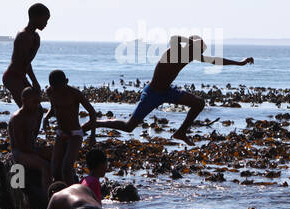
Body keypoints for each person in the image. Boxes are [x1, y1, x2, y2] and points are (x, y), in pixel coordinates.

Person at [91, 35, 253, 143]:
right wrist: (189, 40)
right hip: (153, 93)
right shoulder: (174, 50)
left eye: (199, 52)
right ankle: (96, 123)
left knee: (198, 103)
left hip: (168, 91)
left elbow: (216, 61)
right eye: (197, 50)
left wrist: (240, 62)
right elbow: (173, 38)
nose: (197, 54)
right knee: (129, 127)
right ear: (189, 46)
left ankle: (181, 132)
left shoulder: (190, 55)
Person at [43, 69, 98, 184]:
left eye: (59, 88)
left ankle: (73, 193)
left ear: (66, 81)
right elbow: (53, 108)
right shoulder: (50, 91)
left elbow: (92, 113)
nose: (57, 91)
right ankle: (59, 192)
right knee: (55, 169)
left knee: (67, 168)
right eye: (54, 88)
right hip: (61, 133)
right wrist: (46, 117)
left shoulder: (75, 93)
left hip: (75, 134)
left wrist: (93, 136)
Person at [2, 3, 49, 106]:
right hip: (12, 77)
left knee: (38, 110)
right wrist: (35, 82)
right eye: (45, 19)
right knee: (28, 108)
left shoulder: (35, 37)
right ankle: (15, 122)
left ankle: (42, 122)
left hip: (21, 76)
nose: (46, 23)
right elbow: (25, 62)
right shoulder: (24, 36)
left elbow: (28, 61)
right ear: (35, 18)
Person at [8, 86, 50, 179]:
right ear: (24, 100)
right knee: (45, 166)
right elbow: (21, 146)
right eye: (34, 102)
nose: (37, 105)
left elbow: (34, 135)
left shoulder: (37, 113)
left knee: (58, 158)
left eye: (39, 102)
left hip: (31, 148)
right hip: (19, 152)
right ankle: (48, 192)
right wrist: (39, 151)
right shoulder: (17, 118)